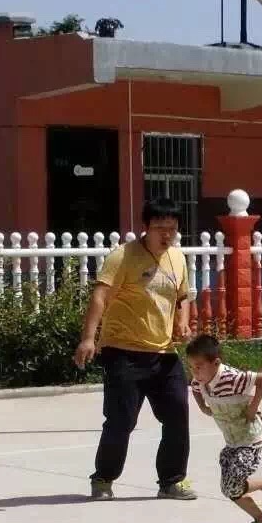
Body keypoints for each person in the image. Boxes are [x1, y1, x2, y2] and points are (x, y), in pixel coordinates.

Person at [74, 197, 196, 501]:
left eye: (172, 229)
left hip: (164, 354)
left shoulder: (178, 258)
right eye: (159, 228)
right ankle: (103, 479)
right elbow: (100, 298)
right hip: (123, 353)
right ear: (146, 227)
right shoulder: (123, 257)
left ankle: (171, 480)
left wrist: (182, 323)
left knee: (178, 414)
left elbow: (183, 297)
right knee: (121, 421)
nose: (166, 235)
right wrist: (89, 339)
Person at [186, 335, 262, 523]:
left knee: (232, 485)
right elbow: (194, 388)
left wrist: (253, 408)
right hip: (232, 442)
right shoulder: (201, 380)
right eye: (192, 367)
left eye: (199, 366)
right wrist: (202, 406)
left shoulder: (232, 378)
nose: (195, 372)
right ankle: (261, 522)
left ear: (216, 363)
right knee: (229, 489)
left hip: (250, 439)